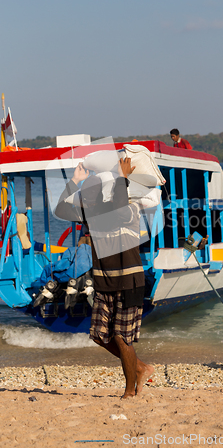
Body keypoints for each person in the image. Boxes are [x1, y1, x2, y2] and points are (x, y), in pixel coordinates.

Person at [55, 157, 154, 399]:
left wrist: (122, 177)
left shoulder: (129, 210)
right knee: (99, 336)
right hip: (103, 282)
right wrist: (74, 181)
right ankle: (140, 367)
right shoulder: (92, 216)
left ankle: (130, 391)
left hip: (129, 282)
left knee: (121, 337)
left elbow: (120, 204)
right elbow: (60, 209)